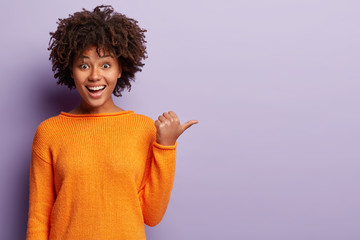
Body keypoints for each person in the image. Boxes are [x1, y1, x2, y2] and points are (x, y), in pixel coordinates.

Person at [26, 5, 198, 240]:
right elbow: (38, 217)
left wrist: (166, 147)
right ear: (71, 70)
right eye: (84, 65)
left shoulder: (143, 129)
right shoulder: (49, 132)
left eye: (105, 65)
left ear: (120, 69)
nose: (95, 75)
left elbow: (152, 216)